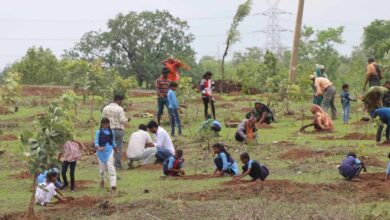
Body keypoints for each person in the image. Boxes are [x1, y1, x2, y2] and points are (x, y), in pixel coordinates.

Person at [102, 94, 129, 169]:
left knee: (108, 148)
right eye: (121, 101)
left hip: (108, 130)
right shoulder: (120, 109)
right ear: (118, 100)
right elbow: (122, 120)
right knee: (118, 148)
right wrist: (127, 120)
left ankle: (107, 164)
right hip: (118, 130)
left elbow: (103, 119)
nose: (121, 102)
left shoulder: (105, 108)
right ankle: (117, 165)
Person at [94, 117, 117, 191]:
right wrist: (98, 148)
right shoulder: (98, 132)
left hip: (109, 151)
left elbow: (113, 142)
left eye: (106, 124)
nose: (105, 126)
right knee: (102, 170)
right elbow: (96, 142)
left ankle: (113, 184)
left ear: (108, 124)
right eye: (104, 124)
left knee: (111, 167)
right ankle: (103, 180)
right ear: (101, 124)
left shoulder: (111, 132)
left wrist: (115, 149)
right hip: (101, 153)